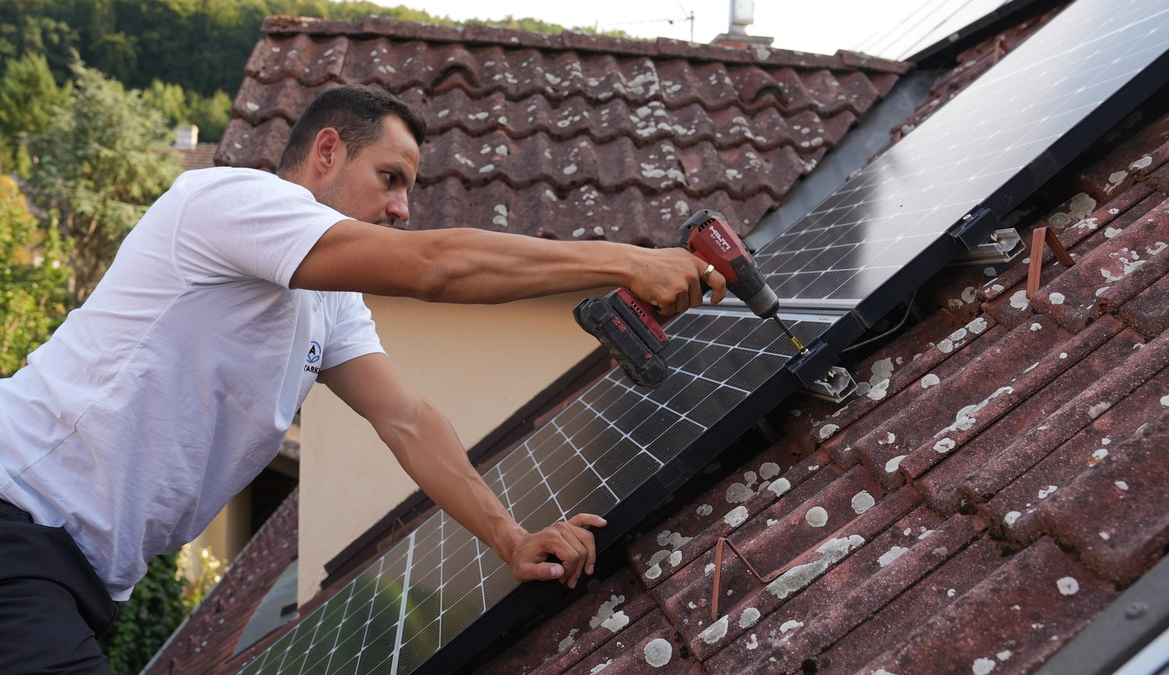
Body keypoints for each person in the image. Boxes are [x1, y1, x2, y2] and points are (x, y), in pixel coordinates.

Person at [0, 83, 727, 672]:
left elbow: (407, 420)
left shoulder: (328, 305)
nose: (403, 207)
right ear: (325, 151)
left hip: (75, 573)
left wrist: (509, 536)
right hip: (18, 514)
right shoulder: (231, 204)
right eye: (390, 178)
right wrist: (624, 259)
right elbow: (433, 267)